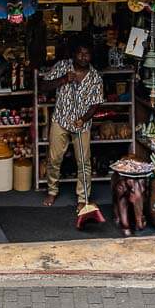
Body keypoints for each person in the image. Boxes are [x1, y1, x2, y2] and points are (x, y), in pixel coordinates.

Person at [38, 42, 104, 208]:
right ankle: (52, 191)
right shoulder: (62, 66)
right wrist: (64, 79)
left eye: (87, 54)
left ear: (91, 56)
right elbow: (43, 86)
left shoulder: (95, 77)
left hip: (82, 124)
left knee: (84, 162)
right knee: (54, 159)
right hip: (60, 119)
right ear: (74, 54)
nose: (83, 57)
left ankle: (83, 198)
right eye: (80, 53)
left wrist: (84, 118)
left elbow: (96, 104)